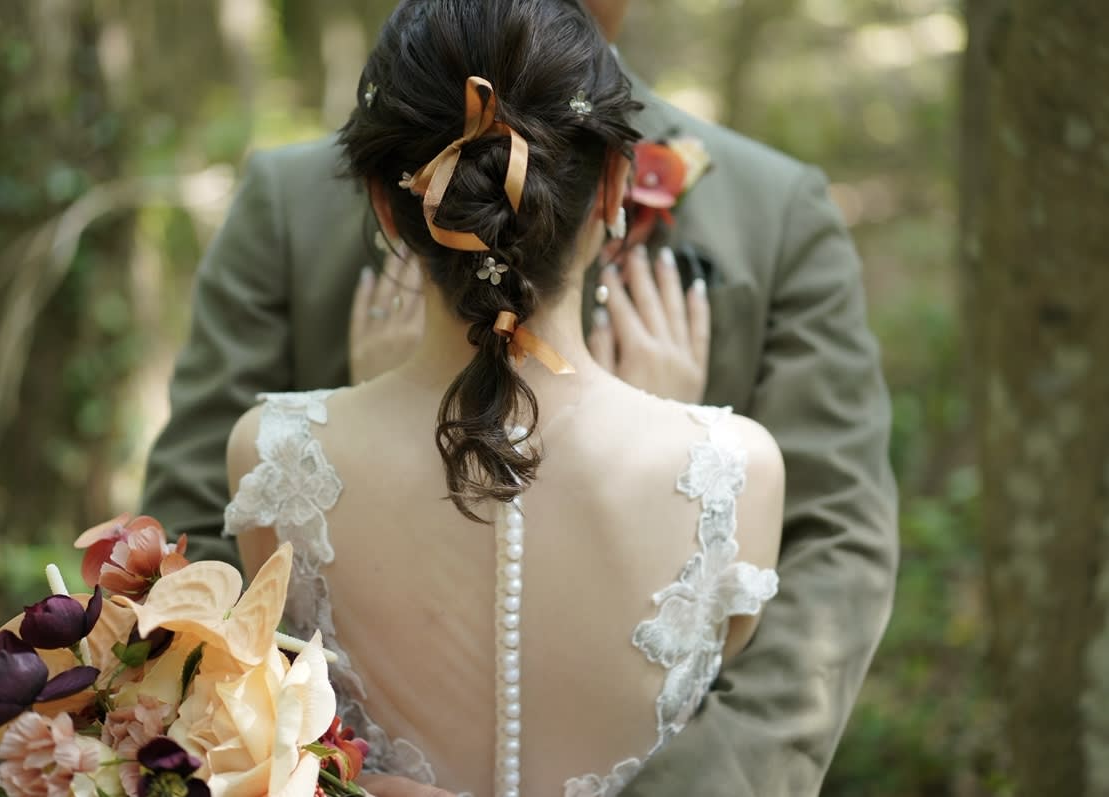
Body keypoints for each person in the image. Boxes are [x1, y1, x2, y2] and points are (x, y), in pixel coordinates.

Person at [141, 2, 898, 795]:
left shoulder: (777, 209)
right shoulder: (285, 203)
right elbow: (191, 544)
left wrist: (656, 455)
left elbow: (836, 545)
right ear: (614, 188)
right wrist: (322, 776)